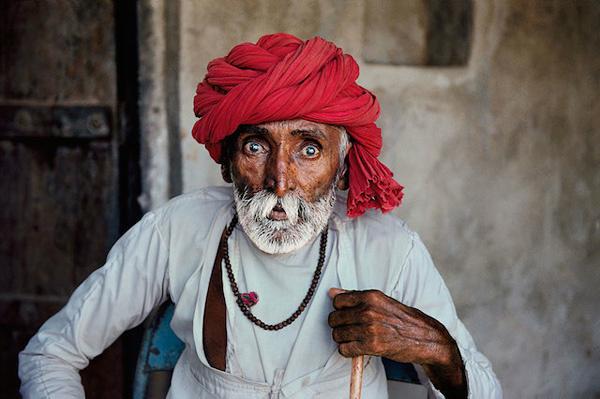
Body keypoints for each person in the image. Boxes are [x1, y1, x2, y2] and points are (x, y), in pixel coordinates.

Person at [19, 33, 501, 398]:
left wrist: (436, 350)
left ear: (341, 164)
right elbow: (50, 354)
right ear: (228, 160)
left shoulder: (387, 248)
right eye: (256, 146)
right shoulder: (178, 231)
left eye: (308, 148)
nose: (280, 180)